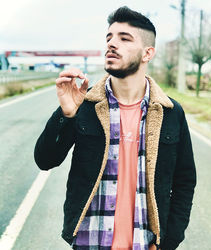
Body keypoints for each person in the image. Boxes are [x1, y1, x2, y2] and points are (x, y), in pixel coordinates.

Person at [34, 6, 196, 250]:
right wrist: (66, 115)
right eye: (109, 37)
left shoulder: (170, 112)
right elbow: (45, 160)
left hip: (144, 244)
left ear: (147, 53)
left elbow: (185, 182)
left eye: (124, 38)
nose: (111, 44)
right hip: (90, 242)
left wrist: (168, 243)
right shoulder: (86, 105)